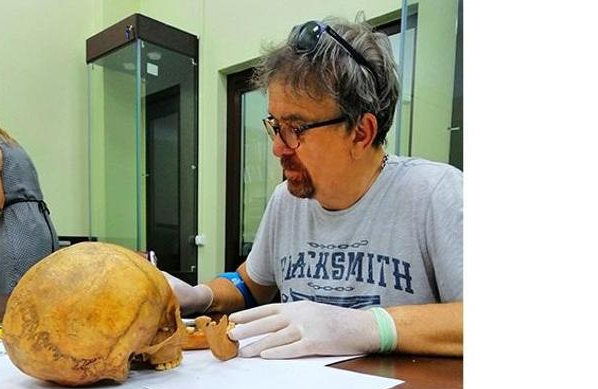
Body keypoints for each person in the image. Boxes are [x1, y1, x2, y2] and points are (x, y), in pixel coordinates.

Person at [165, 18, 462, 358]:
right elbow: (250, 285)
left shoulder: (435, 194)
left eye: (296, 128)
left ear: (361, 132)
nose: (278, 147)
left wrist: (370, 327)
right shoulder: (287, 201)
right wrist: (201, 295)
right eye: (275, 125)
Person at [0, 89, 58, 294]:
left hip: (19, 228)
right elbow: (10, 197)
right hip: (40, 224)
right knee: (40, 295)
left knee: (15, 297)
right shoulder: (7, 141)